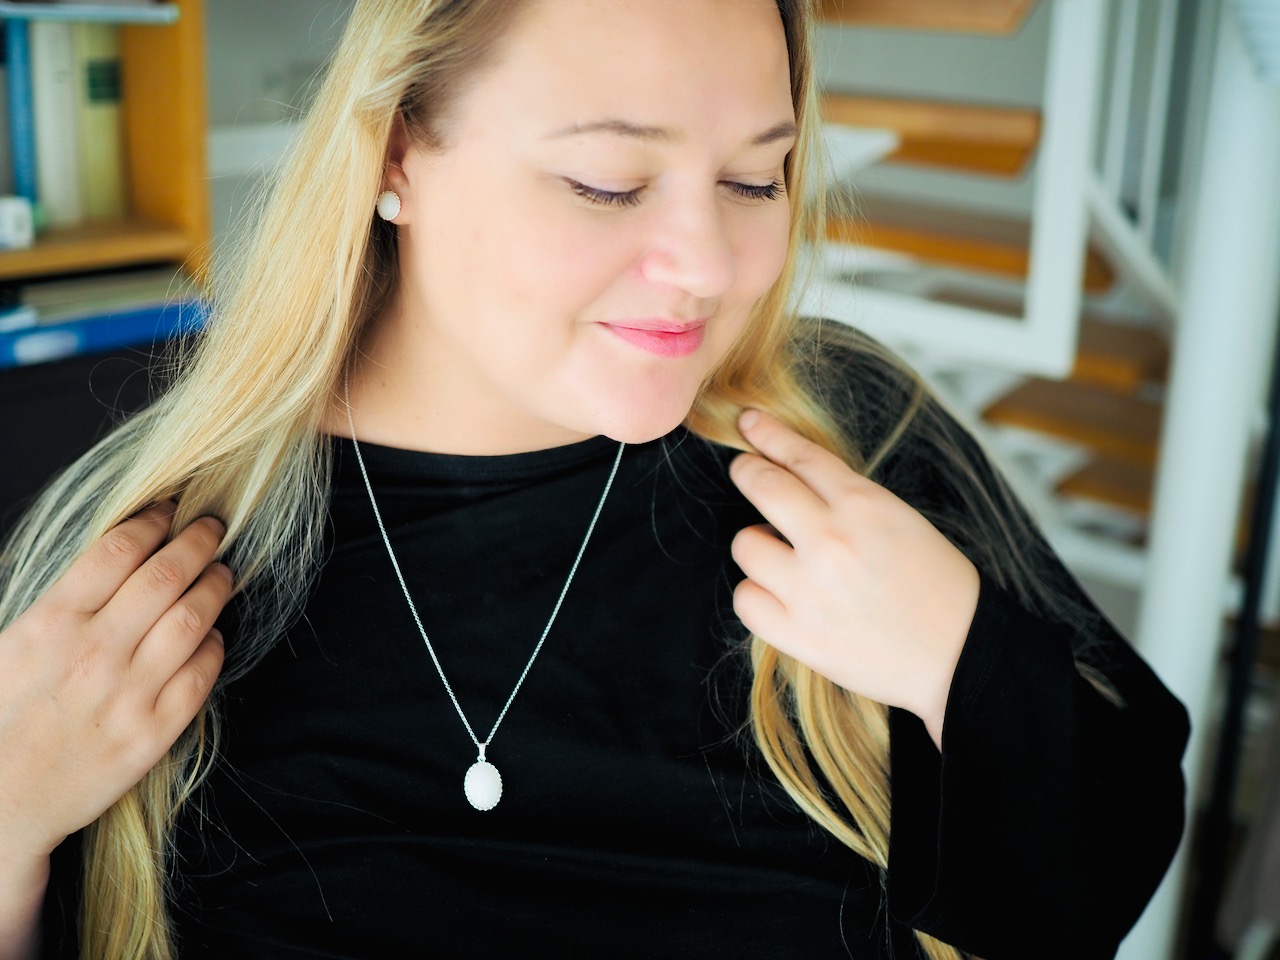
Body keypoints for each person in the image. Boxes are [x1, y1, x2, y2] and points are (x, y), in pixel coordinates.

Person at [0, 1, 1189, 958]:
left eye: (756, 179)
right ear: (397, 153)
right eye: (608, 182)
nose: (706, 269)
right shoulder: (139, 557)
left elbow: (1080, 901)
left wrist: (957, 659)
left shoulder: (848, 435)